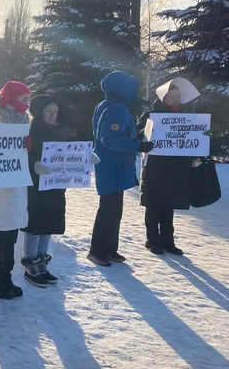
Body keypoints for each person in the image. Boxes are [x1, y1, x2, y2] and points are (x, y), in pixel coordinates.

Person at [88, 70, 154, 267]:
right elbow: (109, 139)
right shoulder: (116, 108)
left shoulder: (109, 105)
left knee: (113, 210)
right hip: (112, 167)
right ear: (122, 89)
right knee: (109, 210)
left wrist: (138, 137)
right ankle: (98, 251)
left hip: (113, 167)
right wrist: (137, 146)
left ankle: (109, 249)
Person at [0, 81, 32, 299]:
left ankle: (5, 276)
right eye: (23, 99)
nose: (27, 104)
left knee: (9, 237)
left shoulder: (24, 124)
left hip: (15, 186)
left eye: (29, 100)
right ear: (10, 100)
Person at [22, 95, 79, 286]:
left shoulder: (62, 132)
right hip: (36, 187)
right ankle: (31, 264)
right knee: (35, 227)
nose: (53, 115)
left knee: (48, 226)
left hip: (55, 186)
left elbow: (72, 154)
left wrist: (86, 159)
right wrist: (34, 165)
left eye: (55, 111)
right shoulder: (32, 131)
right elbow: (23, 155)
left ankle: (42, 262)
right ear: (39, 113)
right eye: (48, 111)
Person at [138, 80, 199, 255]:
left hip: (176, 168)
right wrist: (146, 135)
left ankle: (168, 241)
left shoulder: (187, 115)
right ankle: (152, 240)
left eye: (178, 96)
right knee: (153, 204)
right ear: (163, 97)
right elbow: (139, 134)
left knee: (168, 206)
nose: (175, 100)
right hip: (155, 166)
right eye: (171, 97)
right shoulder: (150, 114)